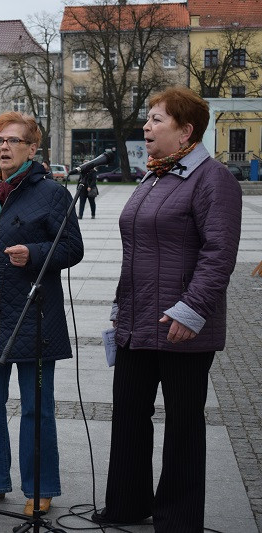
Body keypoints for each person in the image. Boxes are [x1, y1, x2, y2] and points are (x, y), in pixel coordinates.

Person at [92, 87, 242, 532]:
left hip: (182, 327)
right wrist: (121, 308)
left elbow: (219, 254)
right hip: (138, 322)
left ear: (186, 131)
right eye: (148, 118)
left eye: (157, 120)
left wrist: (189, 310)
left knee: (182, 425)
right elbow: (138, 250)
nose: (147, 126)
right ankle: (127, 503)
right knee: (129, 415)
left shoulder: (212, 179)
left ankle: (177, 518)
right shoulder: (155, 176)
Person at [0, 112, 84, 516]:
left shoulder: (52, 194)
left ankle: (39, 486)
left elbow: (72, 248)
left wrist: (35, 254)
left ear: (31, 148)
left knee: (35, 407)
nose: (3, 147)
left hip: (34, 316)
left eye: (12, 140)